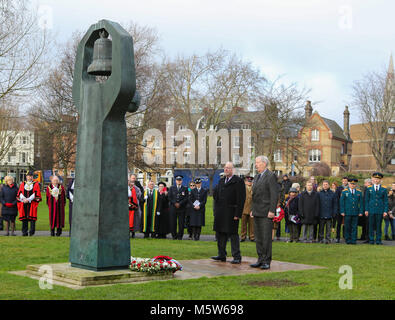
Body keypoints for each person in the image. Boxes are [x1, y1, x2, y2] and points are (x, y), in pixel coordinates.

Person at [212, 162, 246, 264]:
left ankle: (236, 256)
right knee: (220, 234)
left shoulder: (238, 181)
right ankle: (221, 254)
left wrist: (237, 214)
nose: (226, 169)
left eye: (229, 168)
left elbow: (241, 199)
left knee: (233, 235)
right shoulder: (222, 181)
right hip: (220, 212)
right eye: (225, 168)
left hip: (232, 212)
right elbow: (216, 195)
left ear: (233, 170)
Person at [250, 156, 278, 270]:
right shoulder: (256, 177)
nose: (256, 165)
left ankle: (267, 260)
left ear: (264, 163)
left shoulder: (270, 176)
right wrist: (252, 209)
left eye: (257, 163)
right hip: (257, 211)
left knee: (266, 237)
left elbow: (274, 194)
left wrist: (272, 210)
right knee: (259, 237)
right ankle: (260, 259)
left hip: (266, 212)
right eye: (255, 163)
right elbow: (254, 195)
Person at [365, 172, 388, 245]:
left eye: (378, 179)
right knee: (371, 225)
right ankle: (371, 240)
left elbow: (385, 201)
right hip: (371, 210)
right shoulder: (369, 188)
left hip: (380, 210)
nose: (376, 180)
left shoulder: (384, 189)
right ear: (373, 179)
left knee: (379, 226)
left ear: (380, 180)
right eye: (375, 179)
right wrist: (366, 210)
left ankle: (378, 240)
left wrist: (385, 211)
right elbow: (366, 200)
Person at [17, 171, 42, 236]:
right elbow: (20, 193)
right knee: (24, 218)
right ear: (26, 176)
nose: (29, 177)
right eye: (28, 176)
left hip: (32, 203)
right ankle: (24, 232)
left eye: (31, 176)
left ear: (32, 177)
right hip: (24, 203)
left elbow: (36, 193)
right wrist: (24, 199)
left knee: (32, 218)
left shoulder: (35, 184)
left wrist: (29, 199)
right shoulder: (22, 184)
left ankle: (31, 232)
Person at [340, 178, 364, 245]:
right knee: (347, 226)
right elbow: (342, 202)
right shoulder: (344, 192)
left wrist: (361, 212)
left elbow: (361, 203)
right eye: (351, 184)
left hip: (355, 212)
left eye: (354, 184)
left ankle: (353, 240)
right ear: (348, 184)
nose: (352, 185)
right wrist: (342, 211)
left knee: (354, 226)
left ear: (356, 185)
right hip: (347, 212)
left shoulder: (359, 192)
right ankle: (348, 239)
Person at [168, 175, 189, 240]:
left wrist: (180, 203)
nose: (179, 181)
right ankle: (174, 236)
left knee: (181, 223)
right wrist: (175, 203)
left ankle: (180, 236)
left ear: (182, 181)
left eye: (180, 180)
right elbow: (169, 197)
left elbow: (186, 198)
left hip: (181, 208)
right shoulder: (172, 188)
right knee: (173, 222)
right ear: (175, 181)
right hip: (173, 208)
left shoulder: (185, 188)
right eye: (177, 180)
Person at [333, 177, 349, 243]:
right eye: (343, 181)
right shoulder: (339, 189)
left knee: (346, 224)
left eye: (346, 181)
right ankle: (338, 237)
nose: (344, 182)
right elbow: (336, 199)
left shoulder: (349, 188)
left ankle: (345, 236)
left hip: (347, 209)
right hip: (340, 209)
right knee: (339, 224)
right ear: (342, 181)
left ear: (347, 181)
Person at [240, 176, 254, 242]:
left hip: (252, 209)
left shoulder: (254, 189)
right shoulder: (242, 188)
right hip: (243, 209)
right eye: (248, 181)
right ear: (245, 182)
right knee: (243, 224)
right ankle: (243, 236)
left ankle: (252, 237)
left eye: (250, 181)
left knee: (252, 225)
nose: (249, 183)